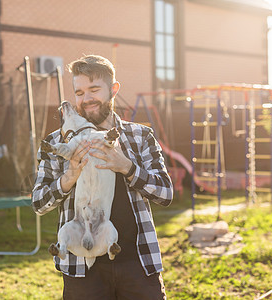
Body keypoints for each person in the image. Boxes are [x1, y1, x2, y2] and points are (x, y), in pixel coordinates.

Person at [32, 54, 173, 299]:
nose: (86, 99)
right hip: (83, 271)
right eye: (79, 92)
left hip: (138, 263)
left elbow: (165, 194)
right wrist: (69, 177)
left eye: (94, 89)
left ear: (114, 89)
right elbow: (38, 203)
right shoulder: (56, 142)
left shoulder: (140, 136)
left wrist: (127, 167)